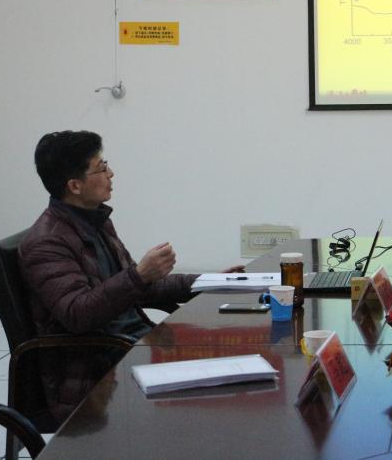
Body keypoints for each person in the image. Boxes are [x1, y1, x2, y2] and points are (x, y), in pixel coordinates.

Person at [20, 130, 239, 422]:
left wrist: (211, 281)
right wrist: (138, 275)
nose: (111, 173)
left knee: (230, 354)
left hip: (130, 346)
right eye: (101, 168)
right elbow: (78, 314)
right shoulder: (47, 242)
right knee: (224, 390)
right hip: (96, 371)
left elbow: (144, 287)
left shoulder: (95, 221)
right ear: (74, 185)